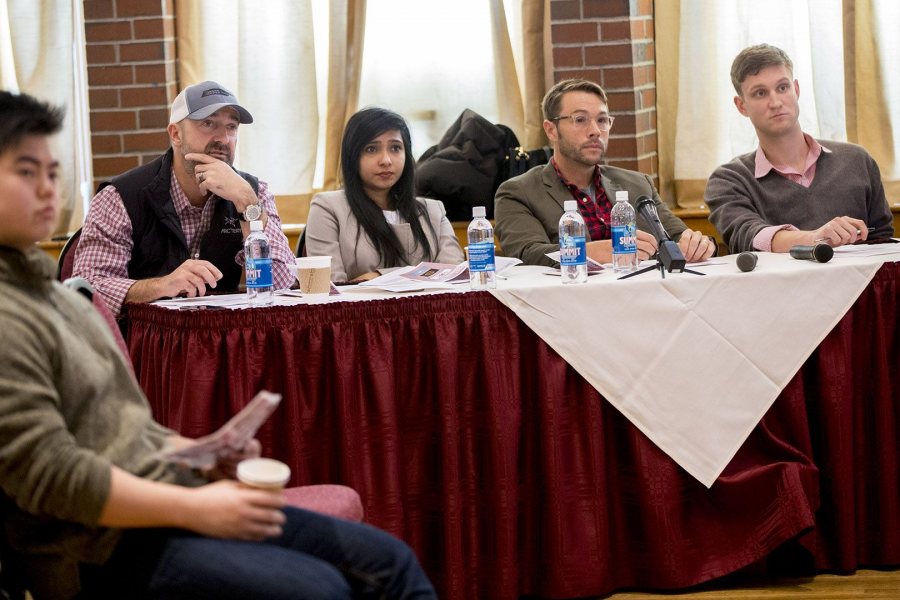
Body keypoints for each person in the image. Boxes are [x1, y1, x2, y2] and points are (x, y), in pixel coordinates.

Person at [0, 90, 436, 599]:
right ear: (176, 134)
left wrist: (200, 452)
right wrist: (156, 285)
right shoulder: (116, 203)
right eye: (27, 172)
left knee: (392, 560)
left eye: (52, 173)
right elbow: (49, 472)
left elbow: (125, 426)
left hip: (173, 489)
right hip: (119, 537)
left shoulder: (57, 302)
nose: (223, 138)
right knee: (324, 586)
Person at [72, 80, 295, 316]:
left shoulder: (253, 192)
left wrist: (247, 204)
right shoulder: (121, 197)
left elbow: (284, 285)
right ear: (176, 134)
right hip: (145, 345)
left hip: (225, 342)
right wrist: (162, 285)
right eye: (208, 124)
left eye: (232, 127)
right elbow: (87, 287)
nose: (223, 138)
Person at [494, 78, 715, 267]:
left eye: (602, 120)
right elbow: (527, 255)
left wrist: (698, 244)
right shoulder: (518, 193)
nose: (595, 131)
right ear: (551, 130)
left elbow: (679, 235)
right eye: (580, 120)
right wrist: (591, 252)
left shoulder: (638, 184)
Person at [705, 44, 895, 253]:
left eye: (782, 88)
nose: (776, 102)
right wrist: (815, 238)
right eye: (760, 93)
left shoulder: (858, 160)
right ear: (741, 106)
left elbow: (882, 242)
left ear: (796, 89)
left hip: (862, 284)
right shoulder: (728, 180)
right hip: (779, 287)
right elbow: (749, 236)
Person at [305, 107, 464, 282]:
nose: (386, 161)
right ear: (353, 156)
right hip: (359, 309)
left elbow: (452, 274)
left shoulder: (433, 210)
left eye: (395, 148)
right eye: (372, 149)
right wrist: (415, 275)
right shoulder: (328, 207)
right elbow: (332, 287)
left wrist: (380, 275)